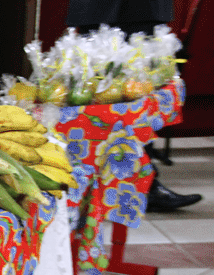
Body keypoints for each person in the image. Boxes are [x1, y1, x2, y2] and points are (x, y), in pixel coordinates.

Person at [66, 0, 203, 211]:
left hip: (143, 9)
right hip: (100, 10)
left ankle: (143, 185)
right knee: (96, 95)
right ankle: (92, 186)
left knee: (140, 94)